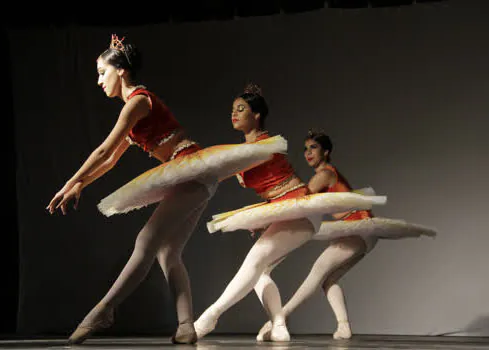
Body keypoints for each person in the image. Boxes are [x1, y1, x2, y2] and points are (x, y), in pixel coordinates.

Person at [47, 36, 286, 345]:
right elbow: (109, 161)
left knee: (146, 240)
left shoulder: (138, 101)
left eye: (101, 72)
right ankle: (186, 326)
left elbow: (104, 149)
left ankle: (104, 310)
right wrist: (81, 182)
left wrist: (70, 182)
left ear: (120, 71)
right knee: (167, 252)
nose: (98, 81)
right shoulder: (135, 108)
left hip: (190, 170)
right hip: (192, 177)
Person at [193, 86, 386, 342]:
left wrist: (192, 167)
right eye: (232, 110)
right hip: (287, 210)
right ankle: (279, 324)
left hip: (298, 208)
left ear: (257, 114)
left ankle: (209, 317)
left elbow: (294, 190)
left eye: (241, 109)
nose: (234, 114)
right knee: (260, 272)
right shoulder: (247, 147)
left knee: (256, 262)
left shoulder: (265, 145)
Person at [254, 130, 436, 341]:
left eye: (313, 147)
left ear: (326, 151)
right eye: (305, 149)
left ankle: (280, 318)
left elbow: (300, 201)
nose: (308, 153)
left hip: (358, 229)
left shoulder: (325, 174)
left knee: (318, 271)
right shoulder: (326, 175)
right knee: (328, 280)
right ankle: (343, 327)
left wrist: (266, 217)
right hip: (361, 234)